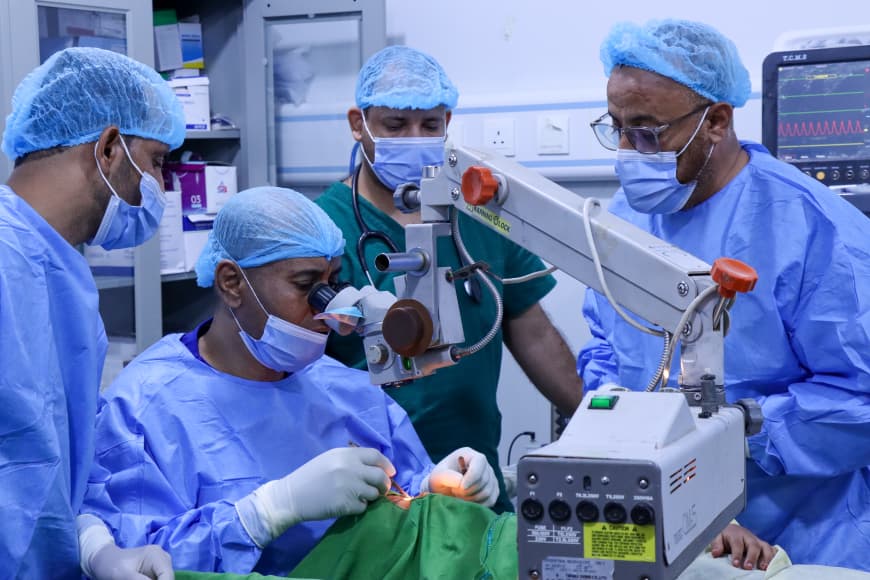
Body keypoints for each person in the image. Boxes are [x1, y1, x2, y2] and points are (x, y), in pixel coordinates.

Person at [80, 186, 500, 575]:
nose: (328, 308)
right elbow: (137, 561)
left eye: (333, 283)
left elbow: (403, 505)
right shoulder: (143, 406)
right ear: (231, 283)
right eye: (306, 286)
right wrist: (265, 513)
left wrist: (434, 487)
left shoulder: (344, 389)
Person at [577, 19, 870, 570]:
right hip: (658, 515)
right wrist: (623, 423)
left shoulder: (813, 229)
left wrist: (728, 432)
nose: (628, 151)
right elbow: (605, 346)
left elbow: (860, 398)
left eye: (647, 131)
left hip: (803, 528)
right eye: (615, 127)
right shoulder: (622, 219)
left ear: (715, 121)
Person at [315, 45, 584, 513]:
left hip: (473, 480)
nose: (414, 138)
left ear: (448, 122)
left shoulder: (478, 213)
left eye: (430, 125)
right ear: (359, 124)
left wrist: (602, 428)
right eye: (395, 125)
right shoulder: (322, 229)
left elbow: (535, 334)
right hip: (373, 491)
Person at [0, 47, 185, 579]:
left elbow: (54, 458)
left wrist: (92, 544)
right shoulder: (10, 259)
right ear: (108, 148)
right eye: (157, 162)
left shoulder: (57, 268)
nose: (160, 187)